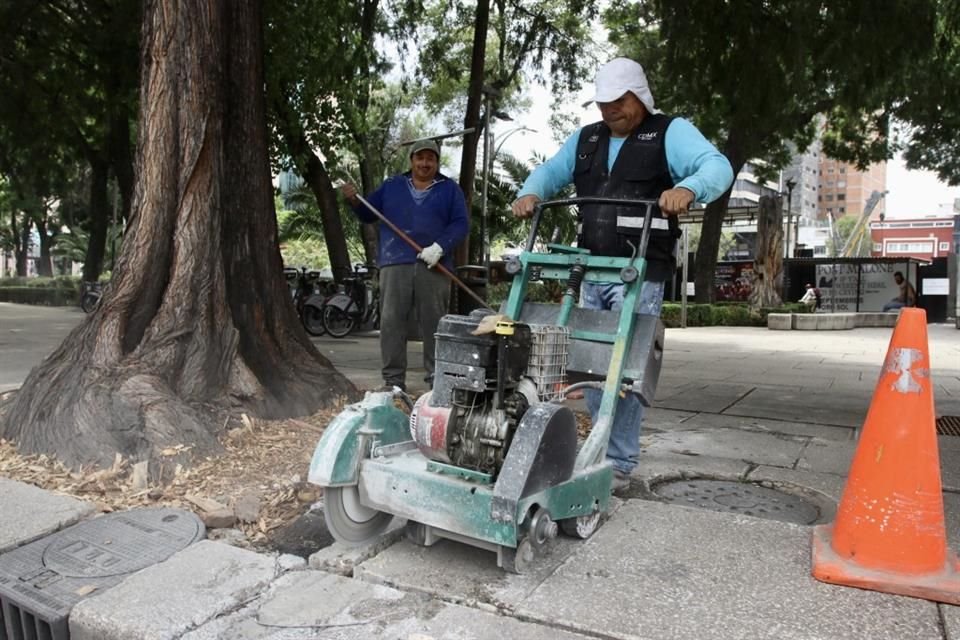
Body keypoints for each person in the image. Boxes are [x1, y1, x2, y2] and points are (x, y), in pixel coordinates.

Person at [512, 57, 734, 492]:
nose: (610, 111)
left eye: (619, 102)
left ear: (640, 97)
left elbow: (717, 166)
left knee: (624, 369)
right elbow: (550, 171)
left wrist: (688, 188)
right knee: (590, 367)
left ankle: (620, 462)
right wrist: (530, 191)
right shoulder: (586, 139)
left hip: (638, 273)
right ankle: (598, 447)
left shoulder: (669, 132)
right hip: (590, 268)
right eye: (603, 104)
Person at [341, 138, 469, 391]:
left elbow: (461, 224)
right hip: (394, 262)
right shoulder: (392, 186)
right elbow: (367, 213)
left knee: (435, 324)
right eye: (420, 158)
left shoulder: (449, 189)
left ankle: (436, 382)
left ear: (436, 162)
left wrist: (440, 247)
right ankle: (393, 382)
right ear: (411, 161)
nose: (425, 163)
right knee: (391, 322)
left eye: (430, 158)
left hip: (434, 265)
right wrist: (354, 200)